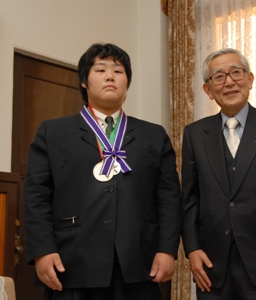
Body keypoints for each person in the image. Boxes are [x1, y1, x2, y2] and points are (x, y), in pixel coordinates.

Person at [24, 42, 181, 300]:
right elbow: (36, 196)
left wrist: (167, 250)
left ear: (127, 83)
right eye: (100, 70)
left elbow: (168, 198)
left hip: (138, 262)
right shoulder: (52, 133)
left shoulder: (154, 136)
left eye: (118, 71)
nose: (110, 76)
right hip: (71, 261)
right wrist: (42, 250)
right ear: (84, 82)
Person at [181, 48, 256, 300]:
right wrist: (192, 249)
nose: (229, 81)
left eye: (235, 73)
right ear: (208, 89)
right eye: (218, 76)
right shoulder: (195, 134)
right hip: (213, 268)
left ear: (249, 79)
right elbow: (190, 198)